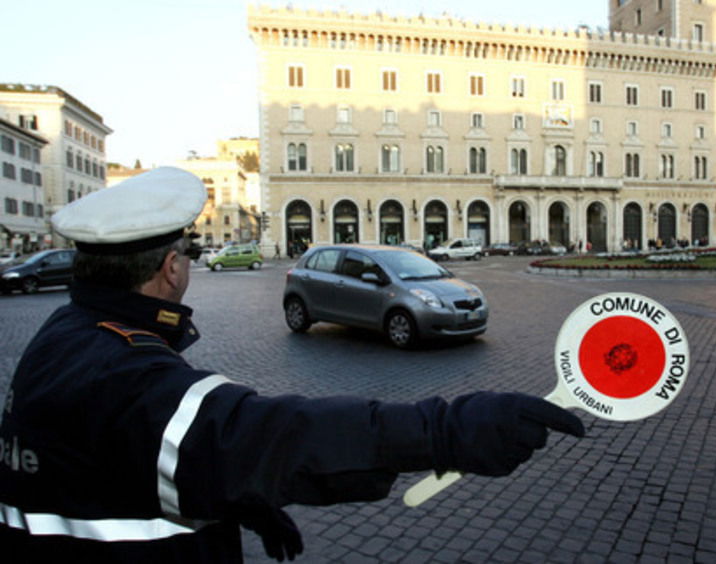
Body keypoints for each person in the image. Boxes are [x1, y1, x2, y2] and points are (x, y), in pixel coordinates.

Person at [0, 167, 584, 563]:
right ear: (170, 267)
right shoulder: (126, 372)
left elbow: (132, 459)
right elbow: (270, 434)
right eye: (189, 253)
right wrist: (449, 431)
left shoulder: (66, 334)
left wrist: (236, 498)